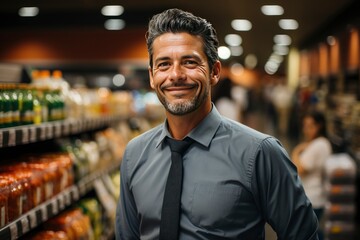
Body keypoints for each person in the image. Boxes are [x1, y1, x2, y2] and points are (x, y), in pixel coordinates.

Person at [115, 8, 319, 240]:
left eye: (189, 62)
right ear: (152, 77)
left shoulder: (259, 152)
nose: (175, 75)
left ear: (214, 72)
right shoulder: (135, 154)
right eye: (163, 65)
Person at [292, 111, 332, 240]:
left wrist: (296, 151)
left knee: (309, 233)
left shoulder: (319, 144)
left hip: (313, 197)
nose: (306, 130)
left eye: (310, 126)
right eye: (304, 126)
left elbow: (299, 169)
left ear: (319, 126)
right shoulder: (318, 143)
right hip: (312, 196)